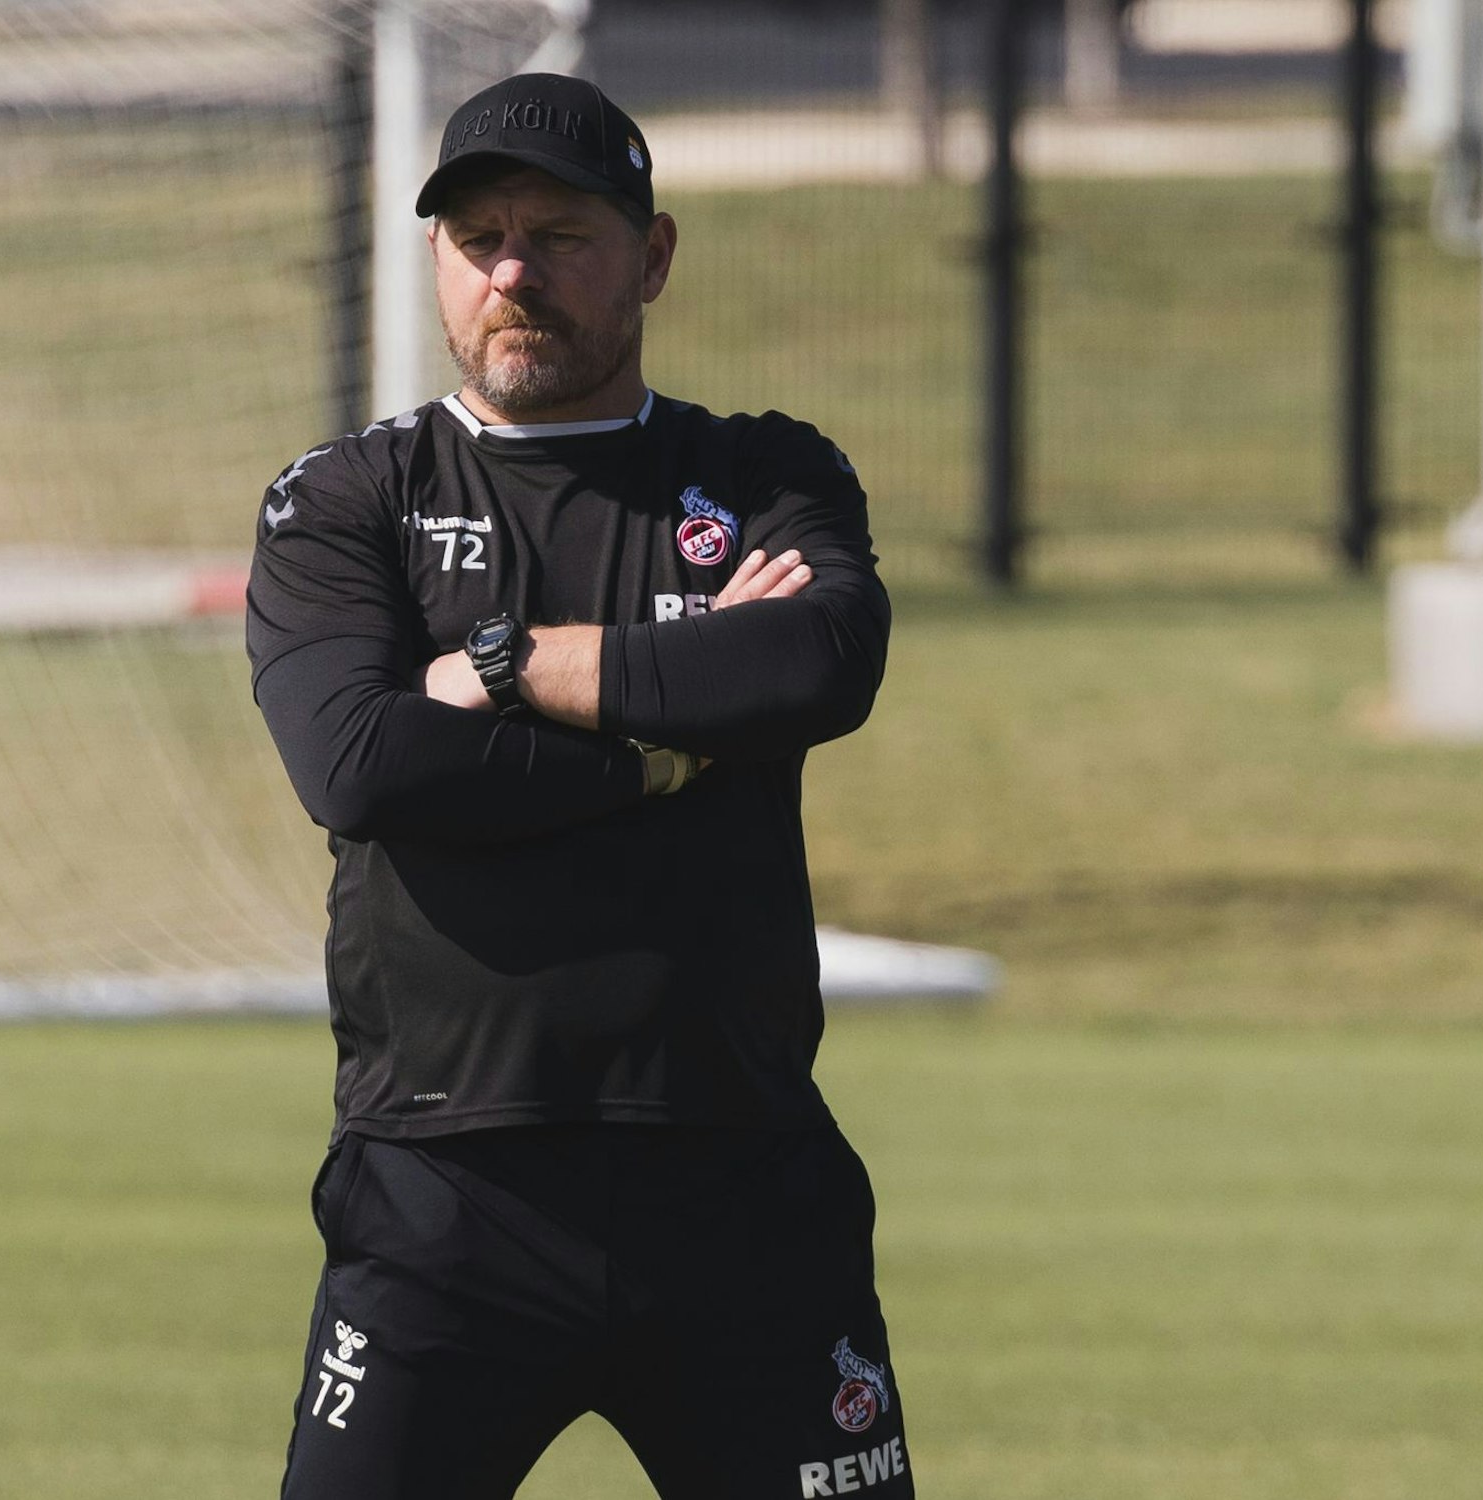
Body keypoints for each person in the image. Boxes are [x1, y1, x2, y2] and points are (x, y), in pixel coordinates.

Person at [246, 71, 910, 1500]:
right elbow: (361, 763)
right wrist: (672, 738)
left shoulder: (763, 472)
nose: (514, 273)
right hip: (443, 1195)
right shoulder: (349, 498)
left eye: (560, 236)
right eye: (479, 237)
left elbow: (815, 664)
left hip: (739, 1183)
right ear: (436, 257)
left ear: (652, 256)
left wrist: (500, 665)